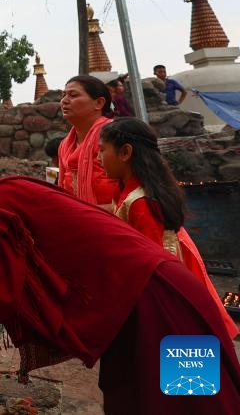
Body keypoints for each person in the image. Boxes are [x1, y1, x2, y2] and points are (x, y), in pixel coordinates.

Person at [0, 179, 240, 413]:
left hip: (156, 301)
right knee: (141, 392)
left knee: (187, 397)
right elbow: (13, 265)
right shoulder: (3, 190)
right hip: (158, 289)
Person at [98, 117, 237, 339]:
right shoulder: (130, 192)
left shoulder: (141, 203)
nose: (98, 158)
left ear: (125, 153)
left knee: (183, 357)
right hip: (171, 284)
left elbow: (153, 267)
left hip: (170, 293)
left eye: (102, 150)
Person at [57, 75, 118, 208]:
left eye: (73, 95)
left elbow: (135, 197)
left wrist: (87, 215)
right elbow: (62, 191)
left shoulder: (116, 136)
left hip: (116, 224)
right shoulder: (65, 145)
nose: (64, 101)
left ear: (99, 103)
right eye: (63, 95)